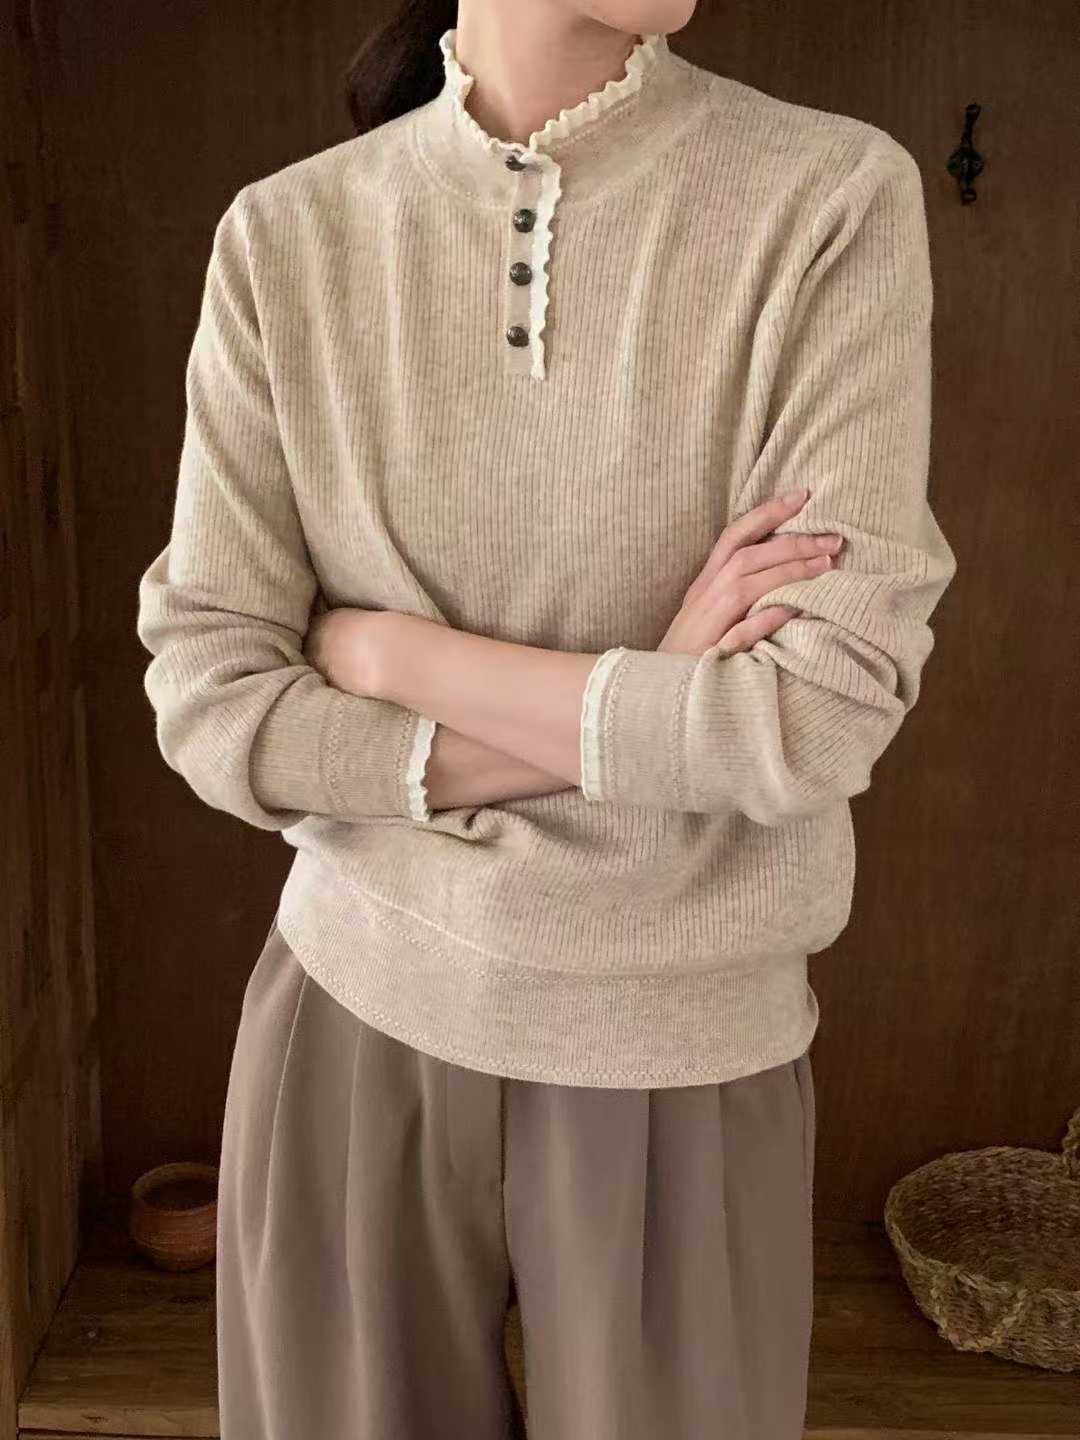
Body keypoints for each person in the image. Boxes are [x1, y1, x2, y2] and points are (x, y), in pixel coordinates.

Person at [135, 0, 957, 1435]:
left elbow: (812, 717)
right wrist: (657, 682)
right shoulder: (286, 234)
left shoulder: (829, 198)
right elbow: (213, 701)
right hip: (354, 1017)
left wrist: (389, 653)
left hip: (682, 1044)